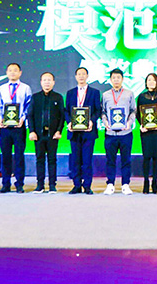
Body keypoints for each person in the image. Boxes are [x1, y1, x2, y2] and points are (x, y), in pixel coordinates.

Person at [0, 63, 33, 193]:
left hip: (19, 127)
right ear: (6, 73)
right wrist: (0, 119)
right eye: (10, 70)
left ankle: (19, 184)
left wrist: (22, 118)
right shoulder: (2, 88)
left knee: (19, 156)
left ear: (20, 73)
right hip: (4, 128)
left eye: (15, 70)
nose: (12, 73)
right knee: (5, 156)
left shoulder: (26, 88)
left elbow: (29, 105)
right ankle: (5, 184)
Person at [65, 67, 101, 195]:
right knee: (75, 160)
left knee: (87, 160)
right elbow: (66, 110)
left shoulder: (94, 92)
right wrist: (69, 122)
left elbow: (98, 110)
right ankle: (76, 185)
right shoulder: (70, 93)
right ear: (75, 77)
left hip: (89, 131)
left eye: (83, 74)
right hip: (74, 132)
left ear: (87, 76)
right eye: (79, 74)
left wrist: (92, 121)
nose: (81, 76)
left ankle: (87, 186)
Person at [28, 72, 65, 193]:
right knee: (39, 159)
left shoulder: (58, 97)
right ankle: (40, 185)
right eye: (44, 80)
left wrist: (59, 131)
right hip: (38, 135)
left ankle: (52, 185)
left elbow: (62, 116)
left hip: (53, 135)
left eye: (49, 80)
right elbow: (30, 115)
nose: (47, 82)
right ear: (41, 82)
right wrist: (32, 131)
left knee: (52, 160)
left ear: (53, 82)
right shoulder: (35, 97)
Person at [100, 68, 136, 195]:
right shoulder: (105, 95)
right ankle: (110, 184)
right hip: (110, 134)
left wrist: (129, 123)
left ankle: (125, 184)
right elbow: (102, 112)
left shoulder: (129, 94)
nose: (116, 80)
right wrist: (105, 123)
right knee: (110, 160)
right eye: (113, 78)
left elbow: (133, 111)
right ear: (110, 80)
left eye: (118, 78)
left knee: (126, 159)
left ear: (122, 79)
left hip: (125, 133)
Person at [135, 73, 157, 194]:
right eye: (149, 80)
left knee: (156, 156)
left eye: (153, 80)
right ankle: (146, 182)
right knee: (146, 157)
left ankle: (154, 182)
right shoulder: (141, 96)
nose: (151, 82)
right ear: (146, 82)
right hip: (146, 131)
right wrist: (141, 124)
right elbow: (137, 114)